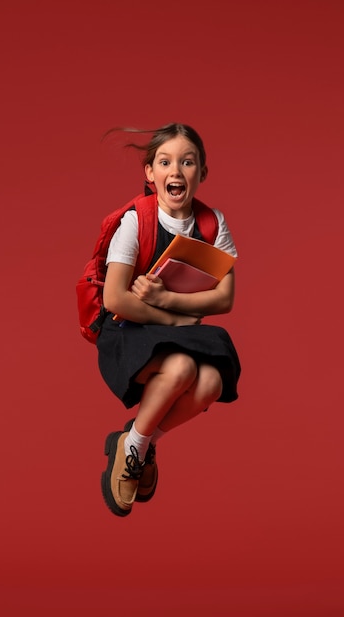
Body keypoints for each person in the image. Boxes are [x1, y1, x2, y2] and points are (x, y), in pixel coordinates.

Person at [97, 122, 241, 517]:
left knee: (210, 380)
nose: (176, 170)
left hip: (171, 323)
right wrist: (178, 318)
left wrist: (166, 298)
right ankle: (134, 449)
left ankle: (138, 443)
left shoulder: (213, 224)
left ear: (201, 174)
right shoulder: (136, 222)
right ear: (150, 173)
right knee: (180, 368)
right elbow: (116, 299)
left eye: (187, 162)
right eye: (165, 162)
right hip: (127, 330)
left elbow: (225, 298)